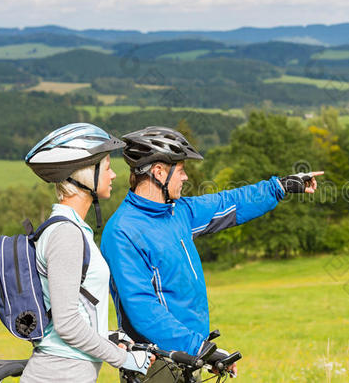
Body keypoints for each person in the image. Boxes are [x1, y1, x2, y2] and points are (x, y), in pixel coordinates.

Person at [101, 126, 322, 382]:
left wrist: (280, 187)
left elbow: (228, 203)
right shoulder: (123, 230)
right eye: (181, 170)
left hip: (187, 357)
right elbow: (143, 309)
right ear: (158, 171)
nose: (185, 178)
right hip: (154, 363)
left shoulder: (177, 212)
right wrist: (201, 349)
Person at [20, 123, 155, 383]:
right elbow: (67, 325)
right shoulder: (66, 234)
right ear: (84, 174)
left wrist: (108, 337)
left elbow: (80, 309)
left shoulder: (74, 230)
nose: (114, 175)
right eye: (106, 168)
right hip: (58, 375)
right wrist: (125, 360)